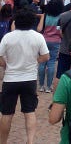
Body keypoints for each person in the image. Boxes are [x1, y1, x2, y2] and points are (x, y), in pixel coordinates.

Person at [0, 8, 49, 144]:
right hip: (29, 79)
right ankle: (30, 141)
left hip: (10, 79)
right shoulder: (38, 37)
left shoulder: (8, 37)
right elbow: (46, 56)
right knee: (29, 111)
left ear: (15, 21)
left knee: (6, 113)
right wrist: (34, 61)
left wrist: (6, 64)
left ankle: (3, 141)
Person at [37, 0, 63, 93]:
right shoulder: (61, 17)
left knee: (42, 62)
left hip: (44, 40)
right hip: (56, 41)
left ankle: (41, 86)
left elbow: (39, 28)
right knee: (51, 63)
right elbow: (60, 32)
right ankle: (48, 87)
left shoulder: (45, 15)